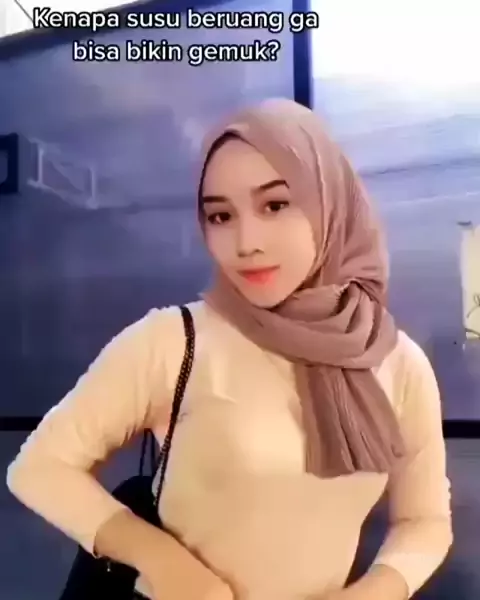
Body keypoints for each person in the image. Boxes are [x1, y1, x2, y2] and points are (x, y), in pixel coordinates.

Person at [7, 99, 452, 600]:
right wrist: (163, 561)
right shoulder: (176, 341)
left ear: (330, 203)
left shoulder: (395, 361)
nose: (245, 242)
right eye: (220, 215)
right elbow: (40, 468)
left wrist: (375, 592)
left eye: (275, 205)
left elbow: (425, 520)